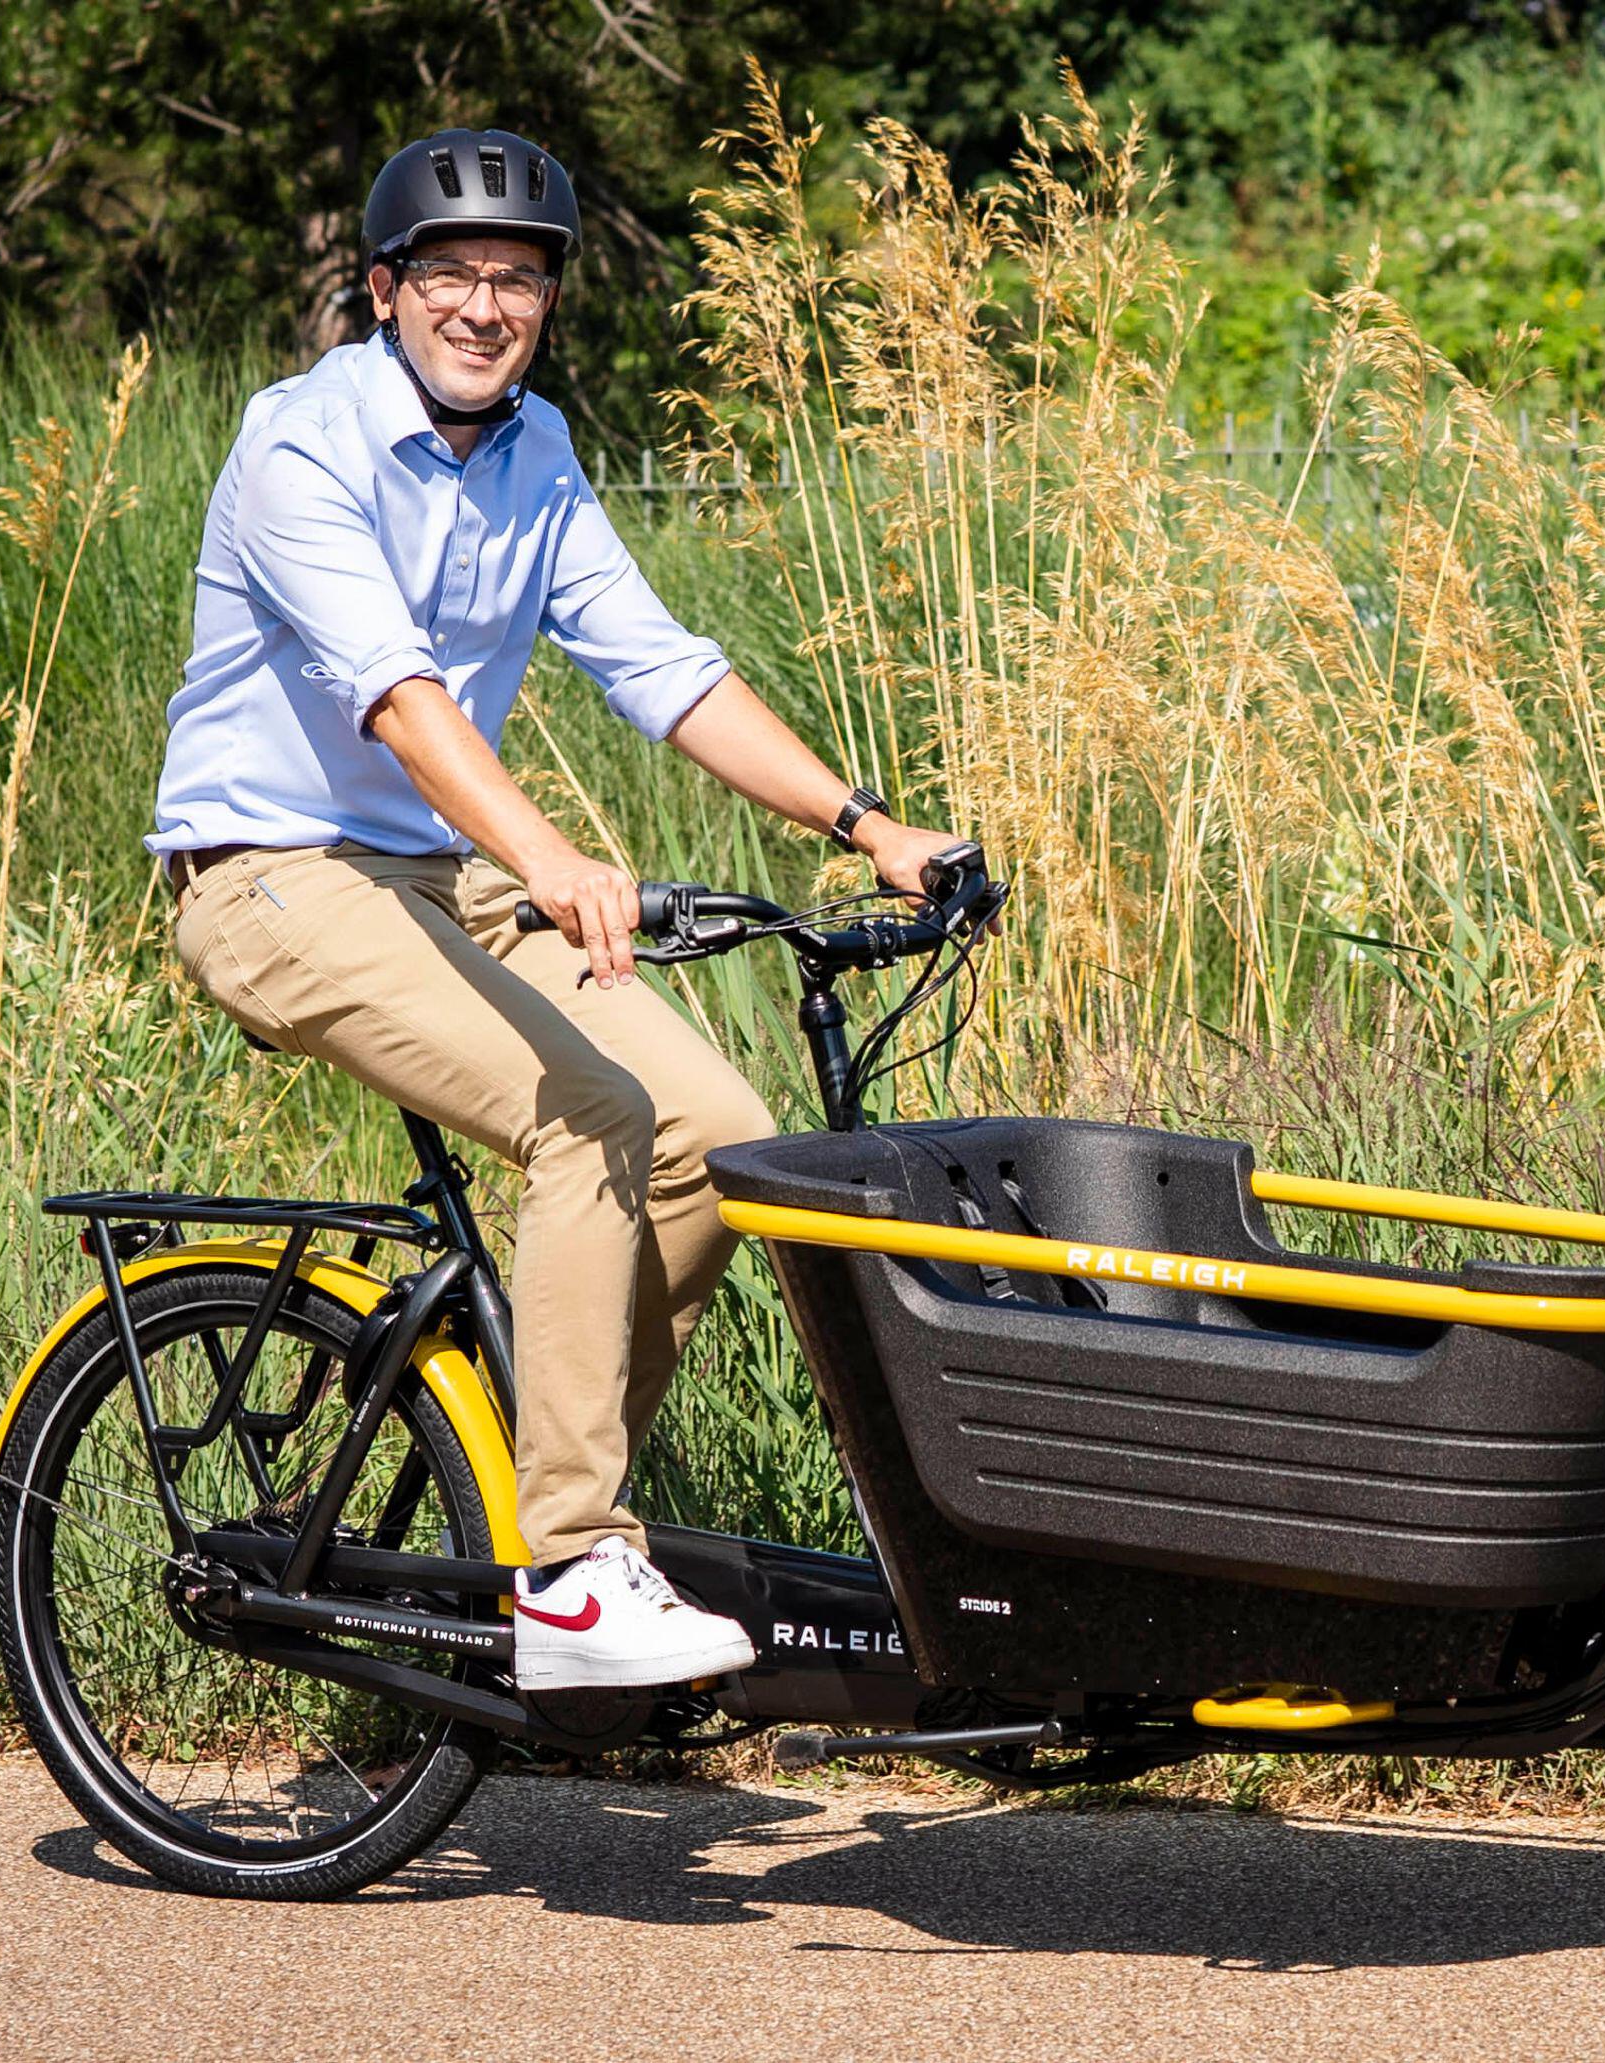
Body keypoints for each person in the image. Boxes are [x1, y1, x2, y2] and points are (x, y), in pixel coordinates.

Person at [150, 128, 958, 1691]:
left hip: (439, 878)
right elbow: (398, 695)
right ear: (383, 292)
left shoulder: (535, 450)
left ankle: (536, 1517)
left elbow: (659, 666)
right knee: (590, 1117)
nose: (483, 304)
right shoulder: (297, 445)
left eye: (516, 279)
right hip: (268, 873)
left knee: (715, 1145)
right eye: (449, 273)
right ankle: (574, 1565)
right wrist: (547, 857)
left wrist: (865, 824)